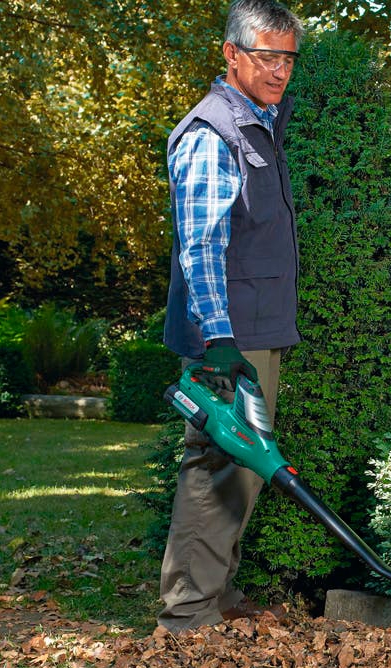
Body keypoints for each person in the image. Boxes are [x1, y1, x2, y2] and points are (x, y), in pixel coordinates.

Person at [159, 0, 304, 631]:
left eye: (288, 58)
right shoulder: (212, 133)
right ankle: (187, 619)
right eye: (267, 57)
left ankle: (215, 599)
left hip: (257, 326)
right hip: (231, 334)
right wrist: (219, 340)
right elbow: (201, 244)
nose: (279, 71)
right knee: (218, 462)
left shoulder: (260, 122)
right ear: (232, 55)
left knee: (244, 470)